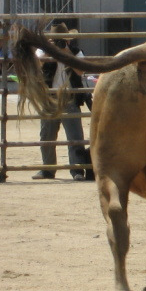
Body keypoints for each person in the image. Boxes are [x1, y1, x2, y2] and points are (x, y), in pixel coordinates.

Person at [33, 24, 93, 180]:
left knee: (75, 136)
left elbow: (81, 71)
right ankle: (48, 169)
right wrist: (50, 49)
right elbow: (37, 63)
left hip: (70, 98)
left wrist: (66, 52)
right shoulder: (43, 49)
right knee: (46, 135)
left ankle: (77, 170)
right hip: (50, 97)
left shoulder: (75, 52)